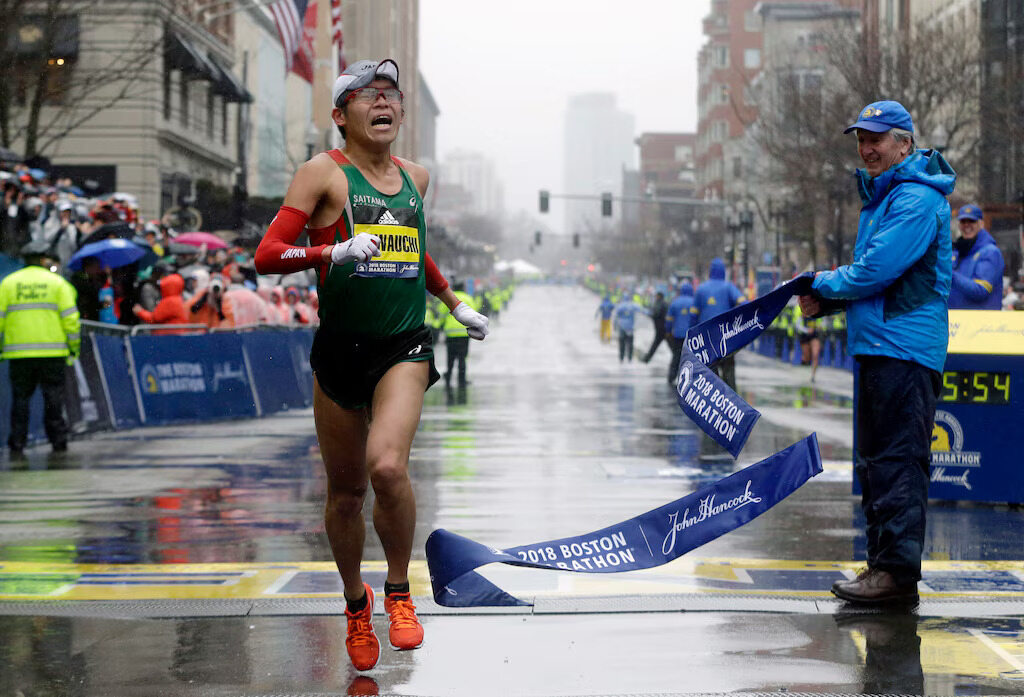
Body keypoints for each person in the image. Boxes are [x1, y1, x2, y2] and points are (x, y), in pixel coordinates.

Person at [252, 58, 489, 672]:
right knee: (346, 493)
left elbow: (412, 249)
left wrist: (454, 303)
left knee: (386, 467)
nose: (383, 102)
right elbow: (267, 255)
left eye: (391, 94)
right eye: (367, 95)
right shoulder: (321, 173)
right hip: (340, 349)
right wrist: (331, 251)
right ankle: (356, 603)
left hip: (402, 345)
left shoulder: (416, 177)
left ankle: (399, 592)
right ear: (341, 115)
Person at [798, 100, 955, 604]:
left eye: (876, 139)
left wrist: (819, 283)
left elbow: (875, 270)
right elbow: (879, 281)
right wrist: (827, 302)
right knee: (874, 465)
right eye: (861, 140)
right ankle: (882, 569)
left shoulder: (915, 199)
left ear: (904, 144)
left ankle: (896, 575)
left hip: (904, 351)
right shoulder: (886, 196)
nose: (866, 149)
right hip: (880, 347)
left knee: (897, 463)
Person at [0, 240, 80, 457]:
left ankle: (17, 442)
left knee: (20, 400)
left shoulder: (8, 284)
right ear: (44, 260)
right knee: (53, 399)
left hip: (19, 354)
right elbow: (71, 320)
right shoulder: (58, 284)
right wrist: (73, 348)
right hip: (52, 353)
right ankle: (58, 440)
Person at [694, 257, 745, 390]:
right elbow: (743, 303)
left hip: (706, 340)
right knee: (729, 372)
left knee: (710, 375)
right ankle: (731, 399)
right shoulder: (728, 287)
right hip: (726, 339)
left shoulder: (701, 289)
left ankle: (713, 398)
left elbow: (693, 315)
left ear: (710, 271)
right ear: (723, 272)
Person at [948, 204, 1004, 310]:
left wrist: (949, 274)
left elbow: (981, 290)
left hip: (981, 319)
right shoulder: (956, 251)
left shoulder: (990, 252)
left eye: (971, 221)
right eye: (963, 221)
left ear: (981, 224)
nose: (967, 225)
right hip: (955, 318)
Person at [439, 280, 477, 390]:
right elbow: (473, 314)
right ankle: (462, 380)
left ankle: (448, 378)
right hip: (464, 333)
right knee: (462, 358)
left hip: (450, 334)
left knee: (450, 358)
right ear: (463, 288)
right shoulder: (468, 298)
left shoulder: (448, 298)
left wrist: (442, 325)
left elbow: (441, 313)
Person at [664, 282, 697, 384]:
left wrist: (668, 331)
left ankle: (671, 377)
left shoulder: (675, 303)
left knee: (676, 356)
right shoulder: (694, 302)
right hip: (691, 335)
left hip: (677, 335)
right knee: (691, 359)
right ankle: (689, 379)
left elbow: (669, 319)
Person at [792, 302, 821, 382]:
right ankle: (805, 362)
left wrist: (819, 327)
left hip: (814, 335)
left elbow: (821, 322)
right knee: (807, 357)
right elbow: (797, 324)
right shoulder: (804, 311)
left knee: (815, 355)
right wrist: (806, 330)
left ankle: (813, 376)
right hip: (805, 336)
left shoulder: (818, 310)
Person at [612, 296, 645, 363]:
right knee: (630, 344)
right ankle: (630, 358)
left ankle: (621, 358)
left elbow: (616, 317)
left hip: (622, 328)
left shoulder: (620, 306)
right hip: (630, 328)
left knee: (622, 344)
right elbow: (642, 310)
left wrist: (614, 326)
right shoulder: (632, 305)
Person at [639, 290, 668, 364]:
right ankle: (646, 359)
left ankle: (646, 359)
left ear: (658, 296)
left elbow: (656, 314)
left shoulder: (659, 303)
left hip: (660, 328)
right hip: (664, 328)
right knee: (671, 347)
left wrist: (649, 314)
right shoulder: (665, 303)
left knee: (655, 345)